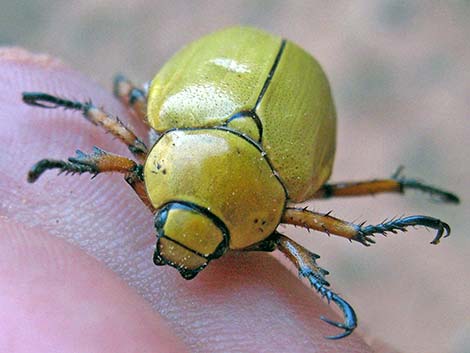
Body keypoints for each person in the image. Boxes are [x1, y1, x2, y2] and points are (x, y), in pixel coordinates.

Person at [0, 47, 373, 352]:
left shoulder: (266, 206)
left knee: (132, 152)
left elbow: (122, 153)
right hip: (259, 87)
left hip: (258, 78)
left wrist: (69, 151)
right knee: (132, 155)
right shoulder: (268, 213)